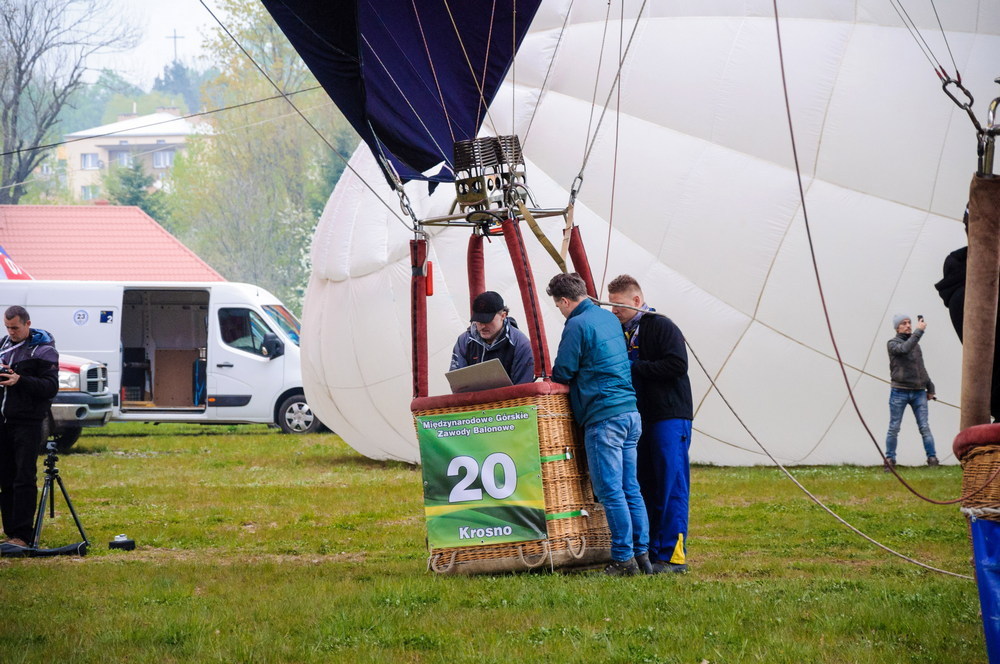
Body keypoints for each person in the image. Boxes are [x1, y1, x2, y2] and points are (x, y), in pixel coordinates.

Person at [546, 273, 650, 576]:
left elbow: (563, 371)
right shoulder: (607, 319)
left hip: (603, 416)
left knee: (609, 491)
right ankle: (642, 554)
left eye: (558, 306)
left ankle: (622, 559)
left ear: (565, 302)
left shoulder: (577, 325)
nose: (560, 311)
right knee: (631, 487)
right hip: (630, 413)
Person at [607, 275, 693, 574]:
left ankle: (673, 556)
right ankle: (650, 551)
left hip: (669, 415)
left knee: (671, 485)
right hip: (640, 417)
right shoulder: (620, 331)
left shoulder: (661, 324)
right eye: (611, 305)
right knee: (645, 485)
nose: (614, 311)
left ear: (636, 300)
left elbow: (677, 364)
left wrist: (635, 367)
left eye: (618, 304)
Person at [0, 306, 59, 549]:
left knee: (24, 477)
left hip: (28, 422)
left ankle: (23, 535)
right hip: (3, 421)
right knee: (6, 478)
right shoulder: (3, 345)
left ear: (27, 324)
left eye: (15, 327)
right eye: (7, 327)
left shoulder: (44, 350)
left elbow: (50, 387)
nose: (11, 332)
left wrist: (20, 380)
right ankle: (10, 532)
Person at [884, 314, 939, 470]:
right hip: (899, 392)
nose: (908, 325)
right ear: (897, 327)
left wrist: (931, 388)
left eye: (909, 323)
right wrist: (919, 332)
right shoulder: (892, 343)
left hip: (919, 392)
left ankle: (932, 459)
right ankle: (890, 460)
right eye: (904, 323)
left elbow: (921, 368)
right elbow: (904, 349)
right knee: (894, 427)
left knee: (924, 427)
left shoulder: (916, 344)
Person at [450, 291, 534, 385]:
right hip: (472, 400)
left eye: (487, 320)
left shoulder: (521, 345)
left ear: (503, 315)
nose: (482, 326)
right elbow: (457, 384)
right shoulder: (463, 341)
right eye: (478, 320)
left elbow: (522, 390)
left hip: (511, 400)